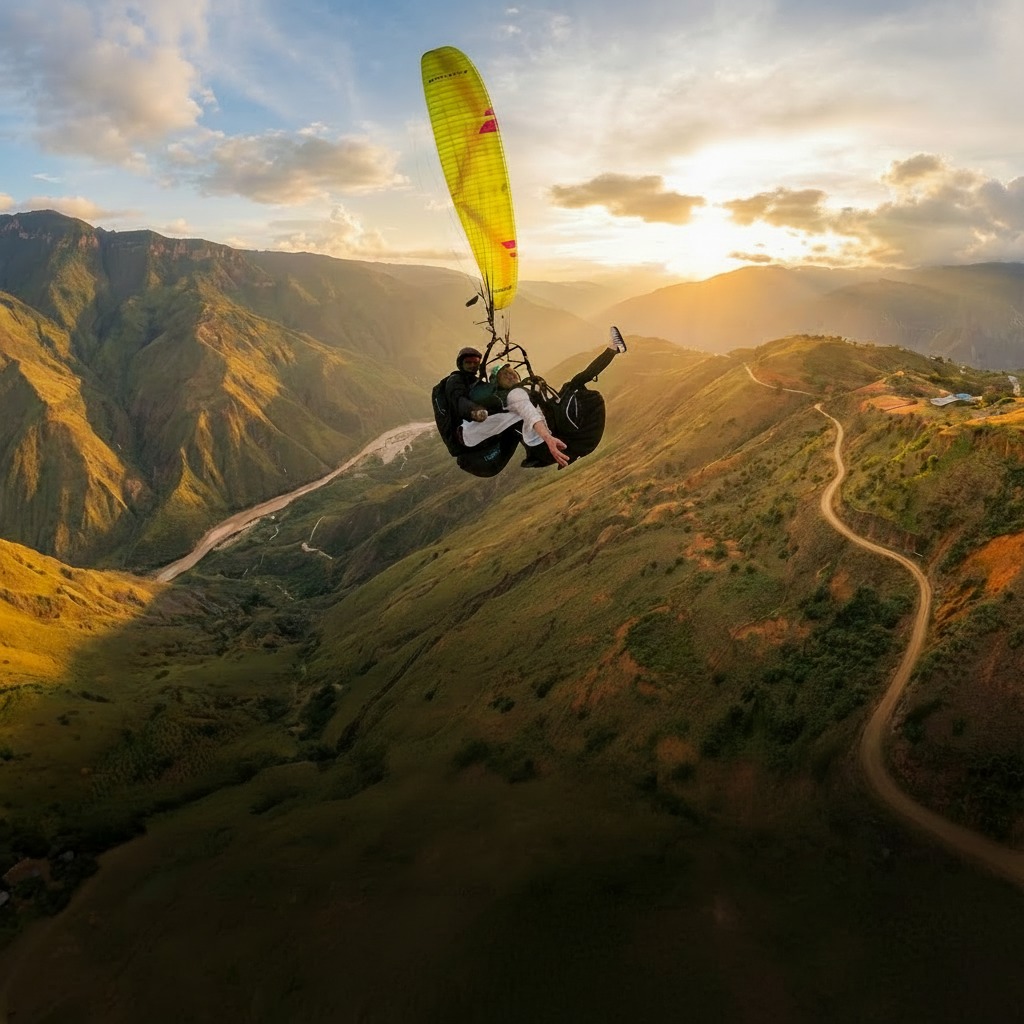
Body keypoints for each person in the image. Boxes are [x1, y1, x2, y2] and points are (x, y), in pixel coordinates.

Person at [457, 326, 627, 475]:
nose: (510, 375)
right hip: (551, 438)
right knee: (574, 384)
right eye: (503, 375)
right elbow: (529, 412)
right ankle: (613, 348)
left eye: (510, 371)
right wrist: (548, 438)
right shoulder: (513, 395)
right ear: (498, 384)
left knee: (573, 384)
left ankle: (613, 349)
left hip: (555, 437)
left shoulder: (523, 389)